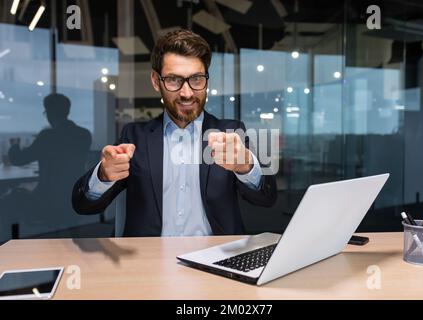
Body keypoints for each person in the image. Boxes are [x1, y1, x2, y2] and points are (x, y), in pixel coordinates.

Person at [72, 29, 277, 237]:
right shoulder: (135, 137)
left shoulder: (230, 132)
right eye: (173, 80)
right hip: (150, 261)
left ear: (207, 79)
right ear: (156, 81)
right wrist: (104, 174)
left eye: (196, 79)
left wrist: (246, 166)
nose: (186, 93)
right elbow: (84, 205)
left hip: (217, 259)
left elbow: (267, 198)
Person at [3, 93, 91, 238]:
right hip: (75, 196)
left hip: (48, 199)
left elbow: (18, 160)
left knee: (9, 201)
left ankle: (8, 245)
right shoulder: (84, 134)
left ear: (49, 113)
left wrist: (14, 146)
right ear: (67, 111)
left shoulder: (48, 136)